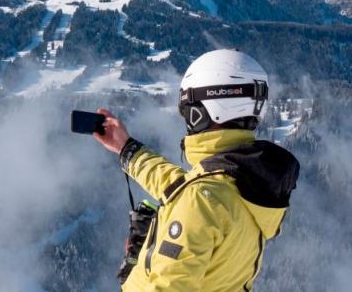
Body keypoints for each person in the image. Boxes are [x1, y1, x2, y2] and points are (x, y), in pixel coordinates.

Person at [93, 49, 299, 292]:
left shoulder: (200, 200)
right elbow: (180, 185)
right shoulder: (247, 182)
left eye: (188, 110)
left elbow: (193, 199)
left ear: (201, 112)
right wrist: (127, 149)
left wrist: (136, 269)